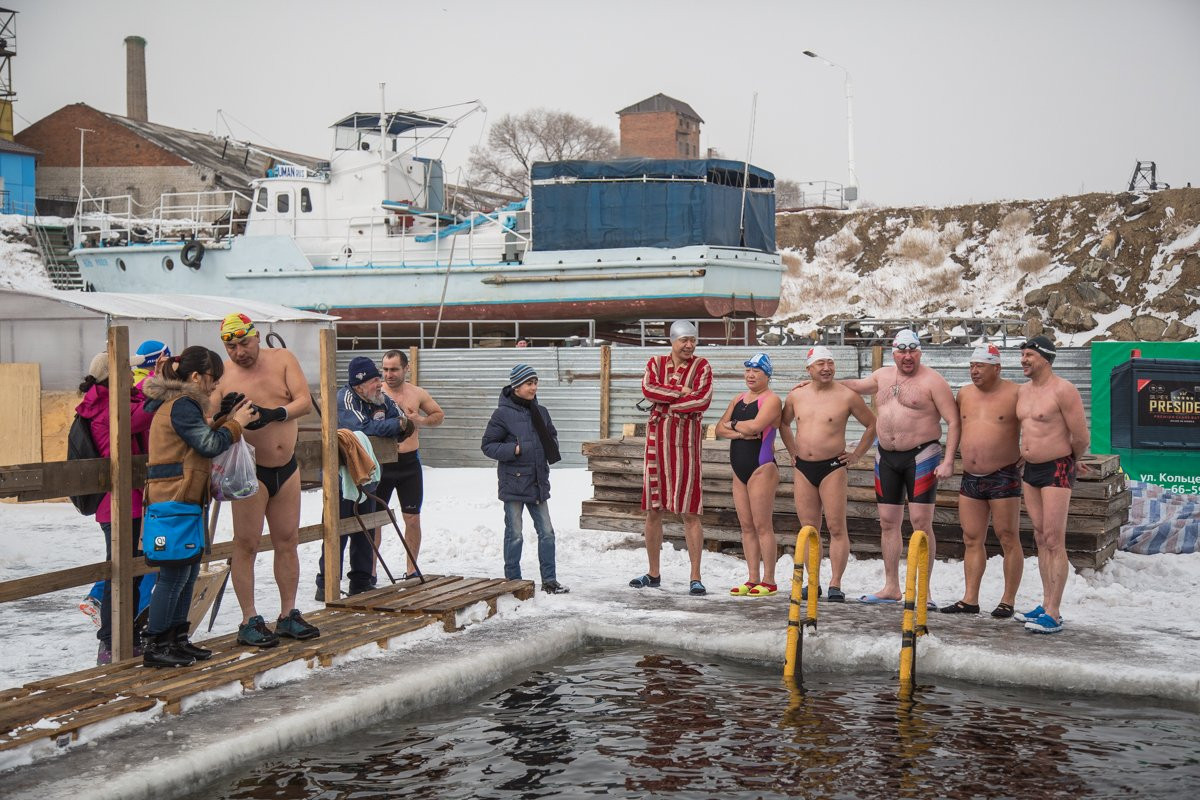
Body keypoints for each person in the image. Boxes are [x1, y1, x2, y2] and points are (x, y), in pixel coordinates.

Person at [141, 346, 257, 667]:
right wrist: (237, 425)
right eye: (212, 379)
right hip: (172, 501)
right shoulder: (182, 406)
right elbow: (207, 445)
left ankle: (177, 639)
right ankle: (157, 645)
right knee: (173, 575)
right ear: (195, 377)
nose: (214, 386)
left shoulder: (183, 406)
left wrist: (225, 418)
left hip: (185, 500)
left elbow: (199, 439)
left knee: (188, 572)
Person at [215, 312, 318, 647]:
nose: (239, 352)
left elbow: (304, 401)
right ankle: (249, 618)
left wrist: (277, 413)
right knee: (247, 544)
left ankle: (288, 614)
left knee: (287, 540)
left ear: (256, 336)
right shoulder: (222, 374)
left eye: (244, 343)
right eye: (231, 347)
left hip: (286, 466)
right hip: (250, 469)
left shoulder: (282, 358)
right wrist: (224, 415)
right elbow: (207, 420)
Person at [839, 329, 960, 604]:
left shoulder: (933, 381)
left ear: (919, 352)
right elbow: (856, 386)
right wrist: (820, 382)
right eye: (902, 352)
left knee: (921, 523)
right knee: (888, 523)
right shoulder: (882, 375)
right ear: (894, 353)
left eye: (912, 351)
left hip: (922, 456)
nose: (907, 357)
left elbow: (953, 421)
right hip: (887, 457)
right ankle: (892, 586)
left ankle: (923, 591)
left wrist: (949, 460)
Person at [80, 339, 168, 631]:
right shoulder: (106, 410)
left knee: (132, 573)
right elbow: (139, 418)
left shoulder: (117, 400)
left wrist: (159, 380)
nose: (134, 373)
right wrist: (163, 385)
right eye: (129, 370)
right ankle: (111, 640)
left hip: (131, 501)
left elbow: (140, 403)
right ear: (113, 377)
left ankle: (124, 636)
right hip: (118, 504)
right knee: (122, 575)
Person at [779, 345, 877, 603]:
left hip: (832, 467)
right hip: (803, 468)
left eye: (830, 363)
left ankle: (835, 583)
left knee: (836, 526)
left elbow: (872, 424)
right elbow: (784, 423)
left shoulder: (847, 396)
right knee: (809, 528)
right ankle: (814, 582)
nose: (826, 368)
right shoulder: (796, 395)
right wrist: (792, 451)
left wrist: (856, 455)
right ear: (809, 368)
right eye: (820, 364)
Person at [630, 320, 714, 596]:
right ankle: (653, 573)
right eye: (683, 340)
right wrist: (680, 393)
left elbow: (702, 400)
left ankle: (695, 576)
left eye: (693, 340)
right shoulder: (655, 362)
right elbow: (648, 389)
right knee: (653, 510)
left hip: (686, 445)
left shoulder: (702, 367)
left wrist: (667, 401)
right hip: (656, 445)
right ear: (672, 341)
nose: (689, 345)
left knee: (690, 510)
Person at [941, 344, 1024, 618]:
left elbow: (1038, 422)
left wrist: (1030, 451)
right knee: (971, 538)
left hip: (1003, 474)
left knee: (1008, 537)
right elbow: (954, 426)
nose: (974, 371)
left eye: (980, 366)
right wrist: (949, 459)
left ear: (997, 368)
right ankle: (970, 599)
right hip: (970, 476)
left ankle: (1007, 600)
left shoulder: (1015, 393)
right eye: (972, 366)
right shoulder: (964, 393)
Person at [1014, 336, 1090, 634]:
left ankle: (1055, 613)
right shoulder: (1022, 391)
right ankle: (1045, 603)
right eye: (1022, 354)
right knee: (1040, 536)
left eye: (1029, 354)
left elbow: (1081, 435)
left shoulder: (1064, 389)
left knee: (1054, 538)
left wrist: (1071, 459)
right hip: (1031, 470)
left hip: (1057, 468)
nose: (1023, 360)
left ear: (1045, 358)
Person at [322, 356, 412, 597]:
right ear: (359, 384)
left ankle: (361, 580)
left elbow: (402, 418)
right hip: (342, 477)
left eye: (378, 378)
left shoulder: (379, 398)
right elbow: (363, 429)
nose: (380, 383)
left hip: (369, 473)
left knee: (366, 527)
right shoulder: (346, 399)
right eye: (374, 380)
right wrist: (396, 426)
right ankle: (326, 581)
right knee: (338, 527)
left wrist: (398, 425)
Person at [481, 364, 568, 593]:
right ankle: (514, 583)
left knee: (547, 532)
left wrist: (551, 447)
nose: (534, 387)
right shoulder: (502, 414)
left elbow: (552, 436)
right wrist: (514, 450)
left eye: (535, 382)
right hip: (514, 482)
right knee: (515, 533)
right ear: (517, 386)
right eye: (529, 383)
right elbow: (488, 445)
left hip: (537, 481)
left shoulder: (541, 412)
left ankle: (549, 581)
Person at [716, 353, 782, 597]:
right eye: (748, 371)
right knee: (746, 526)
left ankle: (770, 580)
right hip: (739, 469)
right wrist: (739, 430)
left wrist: (733, 426)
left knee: (762, 525)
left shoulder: (772, 400)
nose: (751, 375)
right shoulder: (739, 399)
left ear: (767, 375)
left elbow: (756, 427)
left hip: (761, 467)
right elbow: (718, 428)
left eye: (756, 371)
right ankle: (753, 578)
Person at [378, 349, 444, 580]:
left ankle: (411, 569)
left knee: (412, 518)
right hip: (382, 464)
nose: (389, 374)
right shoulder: (374, 393)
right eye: (385, 369)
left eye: (394, 369)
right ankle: (370, 571)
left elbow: (438, 414)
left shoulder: (416, 393)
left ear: (406, 369)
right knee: (375, 519)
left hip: (409, 464)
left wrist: (421, 420)